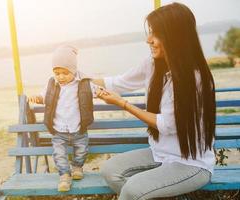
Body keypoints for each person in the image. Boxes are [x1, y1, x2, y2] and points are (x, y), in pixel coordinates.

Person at [93, 3, 216, 200]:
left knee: (132, 190)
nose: (148, 40)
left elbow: (167, 125)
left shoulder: (193, 78)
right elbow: (118, 82)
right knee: (110, 170)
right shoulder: (153, 64)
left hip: (191, 163)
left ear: (175, 36)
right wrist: (80, 80)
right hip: (160, 153)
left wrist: (123, 104)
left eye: (156, 34)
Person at [28, 45, 98, 192]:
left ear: (73, 70)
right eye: (57, 73)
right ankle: (64, 175)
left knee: (82, 150)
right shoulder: (52, 84)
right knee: (59, 154)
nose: (60, 77)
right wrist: (38, 98)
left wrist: (101, 92)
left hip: (78, 129)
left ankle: (78, 167)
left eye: (64, 73)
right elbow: (45, 98)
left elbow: (96, 91)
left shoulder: (84, 83)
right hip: (59, 130)